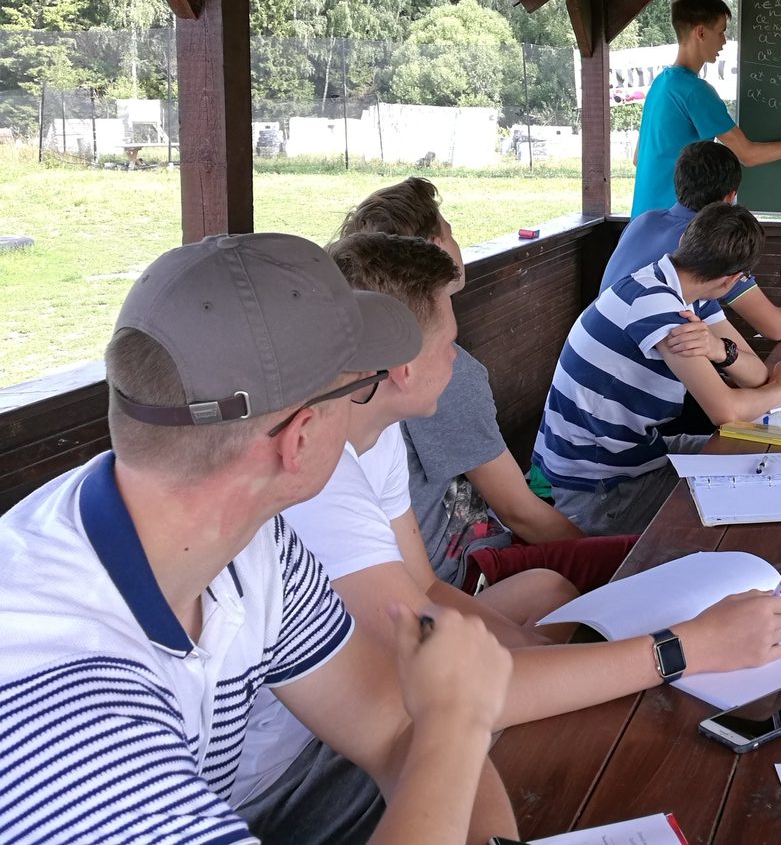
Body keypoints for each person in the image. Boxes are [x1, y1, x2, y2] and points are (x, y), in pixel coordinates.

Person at [235, 232, 781, 840]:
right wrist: (681, 648)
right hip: (302, 765)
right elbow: (426, 674)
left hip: (370, 682)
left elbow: (423, 588)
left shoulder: (376, 434)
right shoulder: (320, 474)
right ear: (402, 365)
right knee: (568, 723)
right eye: (451, 342)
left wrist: (556, 662)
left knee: (546, 598)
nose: (458, 358)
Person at [0, 232, 517, 844]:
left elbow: (393, 730)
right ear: (298, 439)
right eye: (356, 389)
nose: (364, 401)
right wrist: (458, 722)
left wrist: (443, 731)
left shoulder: (248, 539)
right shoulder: (63, 713)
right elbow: (428, 736)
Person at [337, 177, 634, 602]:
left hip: (449, 565)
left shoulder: (371, 406)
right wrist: (590, 553)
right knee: (633, 563)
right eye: (451, 232)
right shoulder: (444, 376)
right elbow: (520, 513)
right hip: (465, 566)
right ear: (431, 255)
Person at [533, 203, 781, 535]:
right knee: (754, 505)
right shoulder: (658, 305)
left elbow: (757, 374)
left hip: (635, 455)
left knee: (766, 456)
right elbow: (726, 411)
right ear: (733, 280)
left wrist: (718, 348)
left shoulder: (684, 291)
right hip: (599, 487)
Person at [605, 140, 781, 339]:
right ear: (730, 196)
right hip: (638, 369)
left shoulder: (643, 221)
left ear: (678, 182)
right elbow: (774, 326)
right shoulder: (711, 240)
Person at [630, 0, 781, 216]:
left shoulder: (660, 85)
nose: (724, 41)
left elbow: (638, 158)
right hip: (675, 227)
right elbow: (748, 155)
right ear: (701, 33)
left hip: (642, 223)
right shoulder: (695, 91)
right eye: (721, 32)